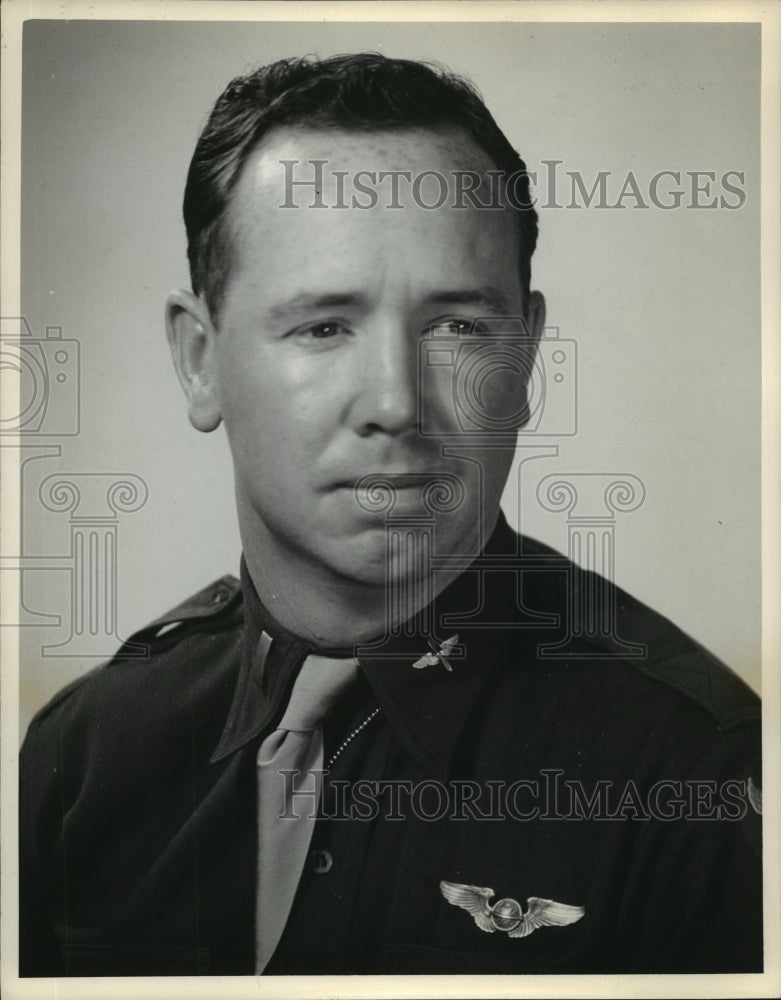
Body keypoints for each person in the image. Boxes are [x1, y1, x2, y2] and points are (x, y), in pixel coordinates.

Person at [19, 53, 762, 977]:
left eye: (456, 326)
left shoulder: (695, 775)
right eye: (324, 326)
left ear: (525, 358)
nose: (396, 403)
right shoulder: (81, 757)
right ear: (199, 360)